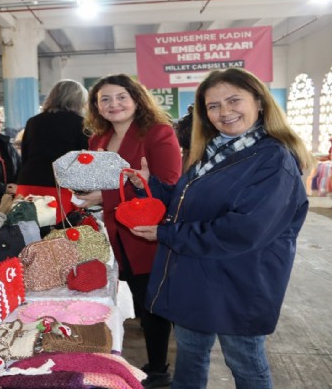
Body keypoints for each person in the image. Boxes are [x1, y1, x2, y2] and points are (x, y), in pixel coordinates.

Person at [125, 68, 312, 388]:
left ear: (259, 102)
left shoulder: (274, 159)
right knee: (190, 354)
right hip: (196, 274)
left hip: (240, 280)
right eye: (213, 106)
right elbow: (188, 204)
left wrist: (167, 234)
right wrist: (149, 186)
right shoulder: (212, 151)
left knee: (244, 361)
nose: (225, 112)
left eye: (234, 100)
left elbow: (244, 230)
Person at [77, 74, 181, 388]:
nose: (114, 104)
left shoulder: (158, 133)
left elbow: (170, 185)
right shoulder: (98, 140)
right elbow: (104, 183)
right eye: (105, 99)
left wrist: (107, 194)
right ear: (96, 106)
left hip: (148, 233)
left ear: (136, 98)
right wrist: (89, 193)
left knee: (152, 305)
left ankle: (159, 370)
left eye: (121, 96)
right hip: (114, 232)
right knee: (128, 298)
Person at [16, 79, 90, 224]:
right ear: (79, 100)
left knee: (26, 231)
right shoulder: (81, 123)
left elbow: (25, 155)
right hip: (61, 188)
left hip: (28, 183)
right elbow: (85, 161)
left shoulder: (33, 121)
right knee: (59, 233)